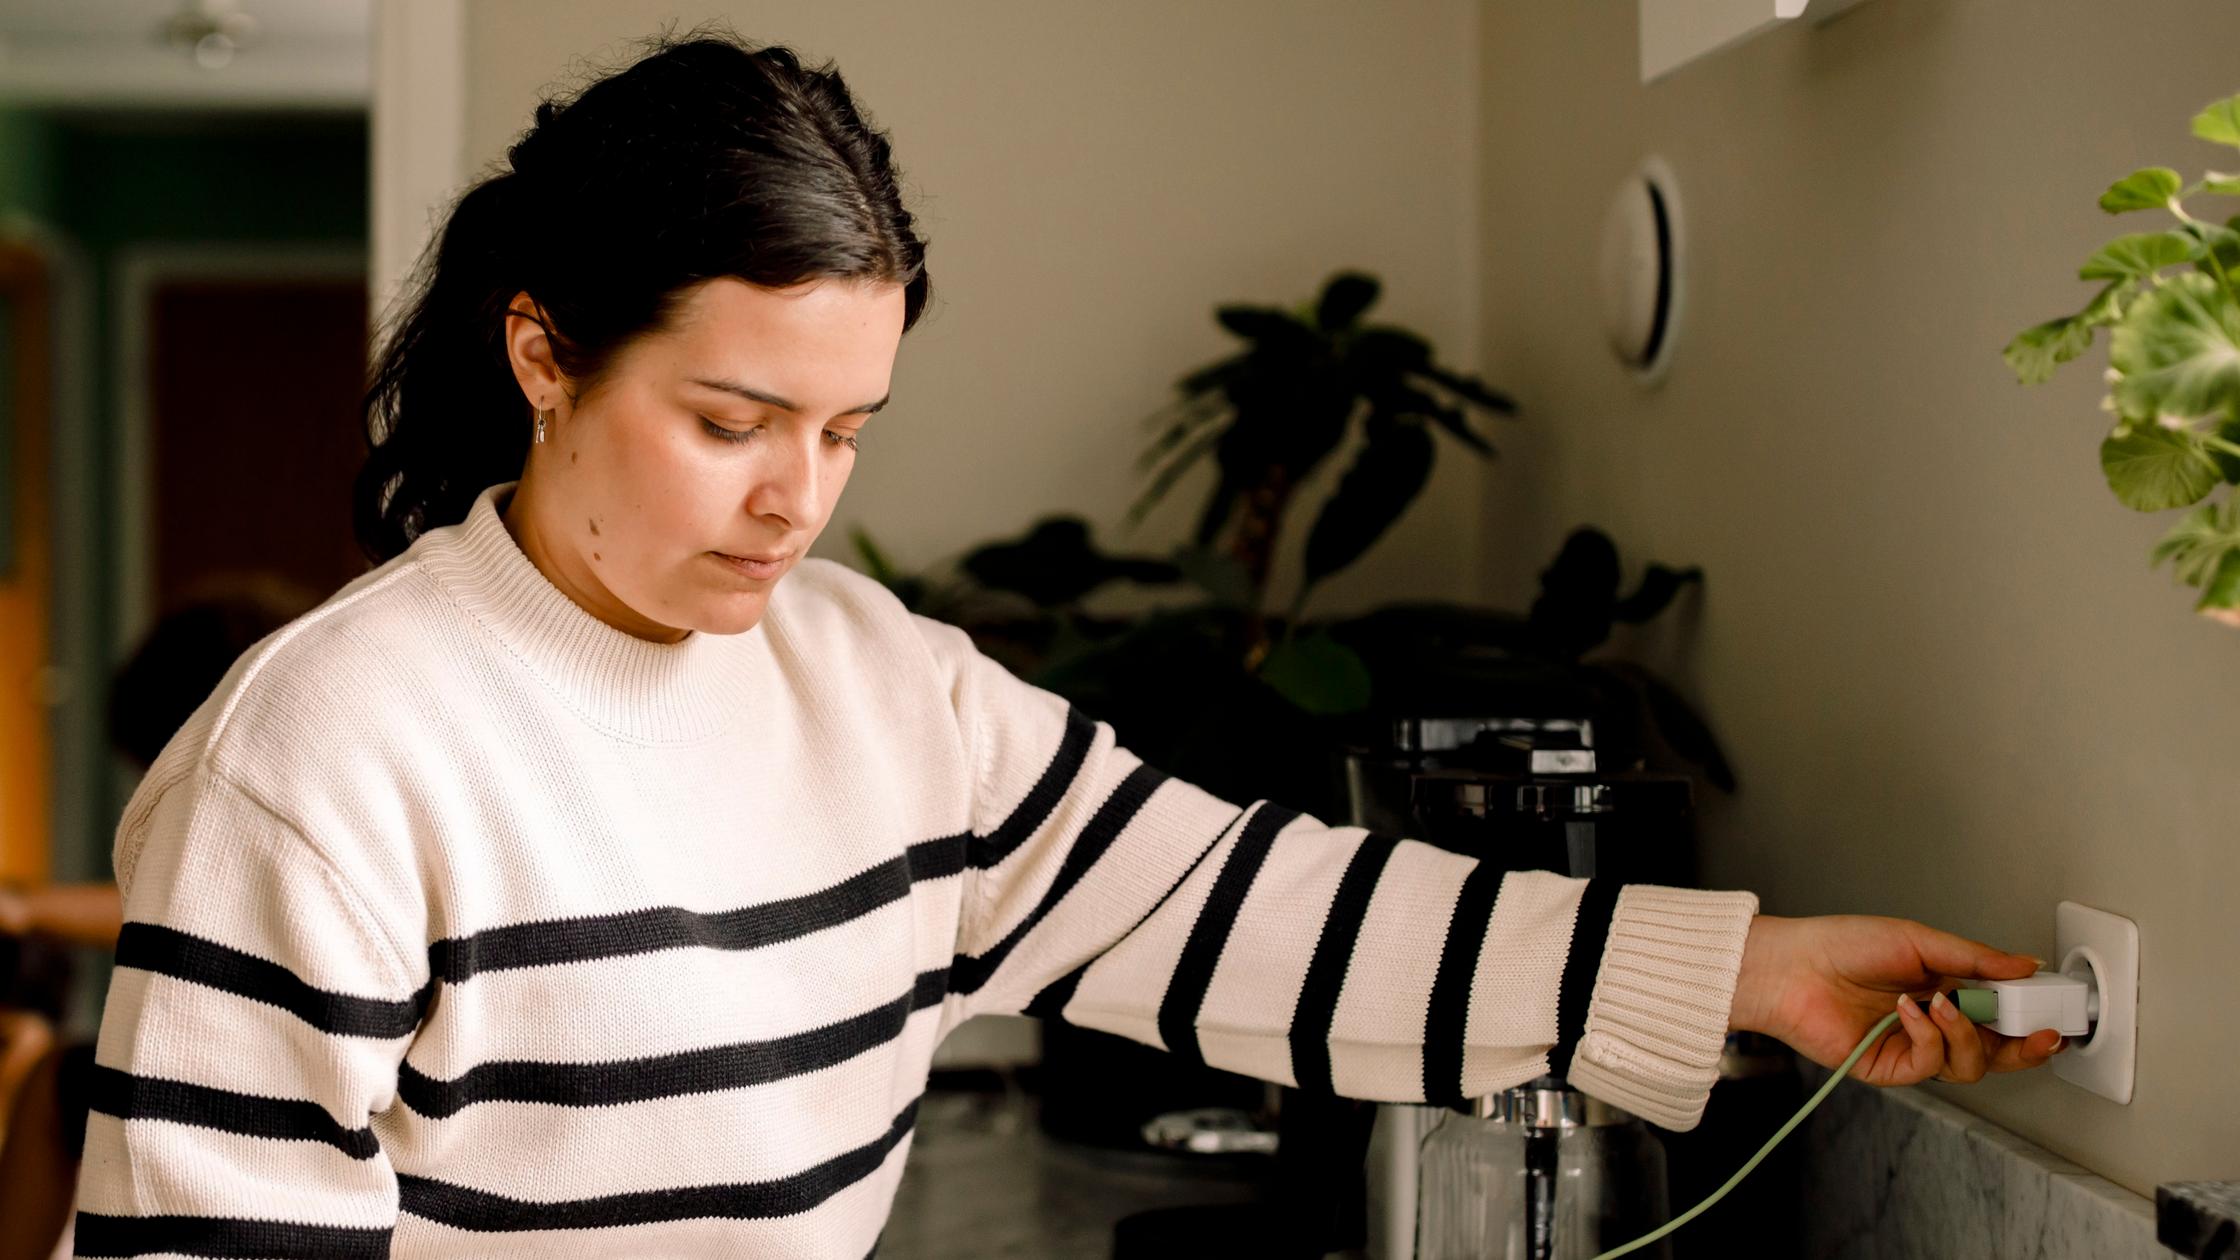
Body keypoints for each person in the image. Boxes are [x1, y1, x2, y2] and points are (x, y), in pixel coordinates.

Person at [68, 29, 2063, 1259]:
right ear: (541, 354)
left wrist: (1752, 975)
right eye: (731, 422)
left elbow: (1257, 919)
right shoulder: (328, 754)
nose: (797, 500)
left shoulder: (888, 692)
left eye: (847, 430)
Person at [0, 578, 314, 1260]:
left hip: (312, 1092)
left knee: (60, 1088)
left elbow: (186, 911)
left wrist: (26, 908)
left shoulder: (262, 800)